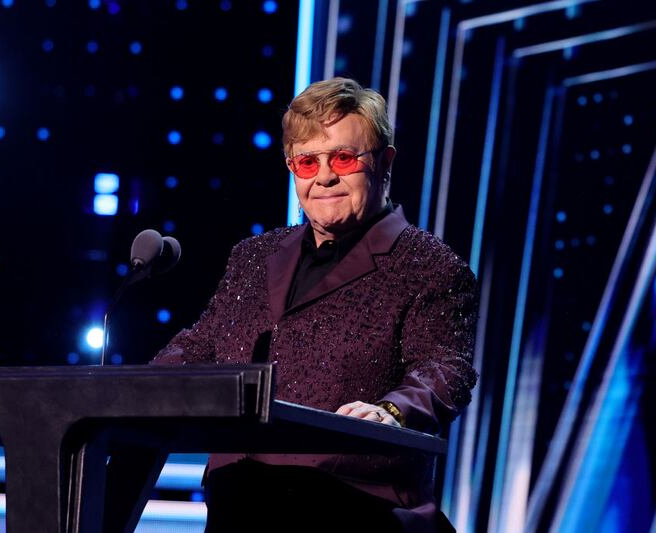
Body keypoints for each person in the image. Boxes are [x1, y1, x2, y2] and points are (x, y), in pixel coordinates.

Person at [152, 77, 478, 532]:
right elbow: (201, 345)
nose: (324, 176)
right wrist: (129, 389)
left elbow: (445, 368)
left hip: (354, 510)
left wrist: (392, 410)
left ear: (385, 163)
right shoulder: (253, 257)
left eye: (343, 158)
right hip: (239, 508)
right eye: (307, 162)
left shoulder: (430, 266)